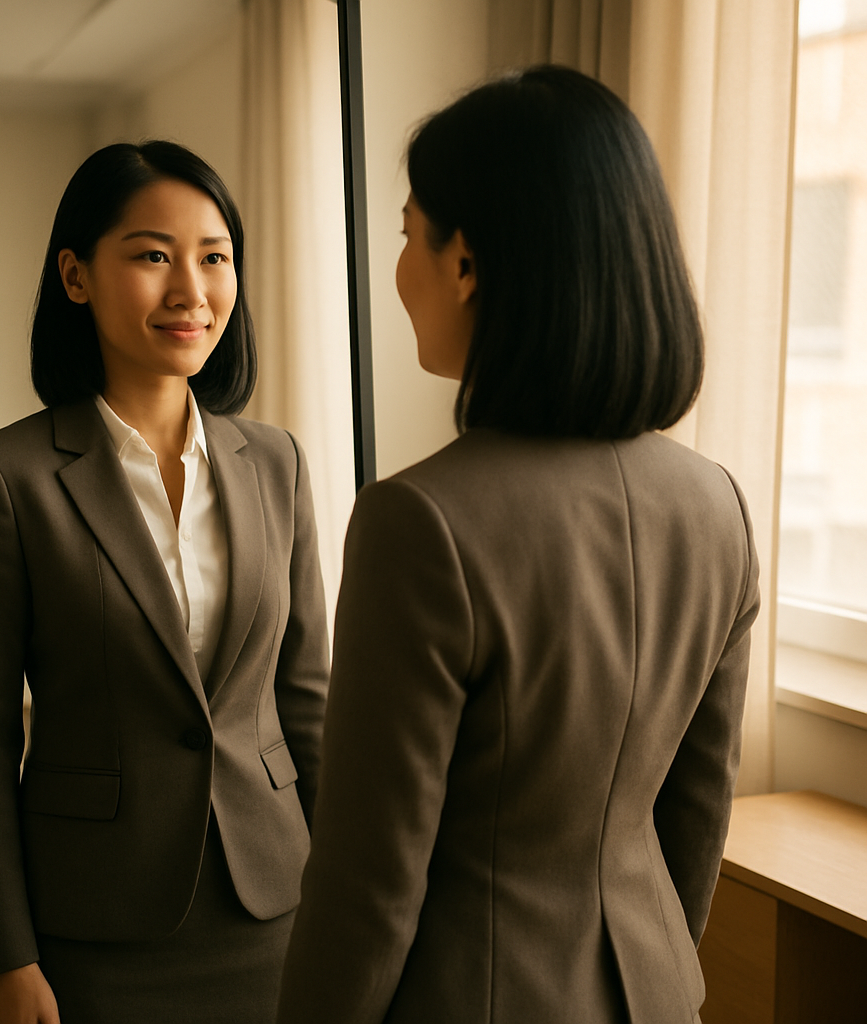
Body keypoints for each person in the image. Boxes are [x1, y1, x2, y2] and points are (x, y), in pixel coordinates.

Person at [275, 66, 760, 1024]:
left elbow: (370, 885)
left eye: (408, 233)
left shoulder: (421, 523)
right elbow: (694, 817)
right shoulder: (717, 507)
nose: (401, 267)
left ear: (467, 263)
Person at [0, 140, 329, 1024]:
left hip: (277, 905)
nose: (191, 289)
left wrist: (356, 901)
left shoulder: (277, 462)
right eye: (154, 255)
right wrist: (5, 957)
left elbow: (307, 702)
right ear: (76, 277)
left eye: (214, 257)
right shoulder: (4, 479)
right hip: (95, 931)